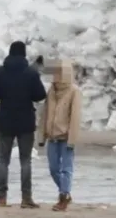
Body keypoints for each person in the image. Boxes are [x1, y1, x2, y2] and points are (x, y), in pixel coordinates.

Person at [0, 40, 47, 209]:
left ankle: (2, 198)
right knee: (26, 161)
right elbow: (40, 95)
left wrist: (3, 92)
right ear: (24, 54)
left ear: (9, 54)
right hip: (25, 122)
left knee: (3, 160)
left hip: (5, 121)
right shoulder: (31, 73)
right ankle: (26, 198)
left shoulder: (0, 72)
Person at [37, 59, 83, 212]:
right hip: (52, 136)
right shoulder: (52, 91)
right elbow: (45, 114)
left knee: (66, 169)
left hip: (65, 137)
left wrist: (72, 139)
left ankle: (63, 197)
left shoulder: (74, 91)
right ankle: (66, 193)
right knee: (53, 168)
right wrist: (42, 136)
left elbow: (75, 116)